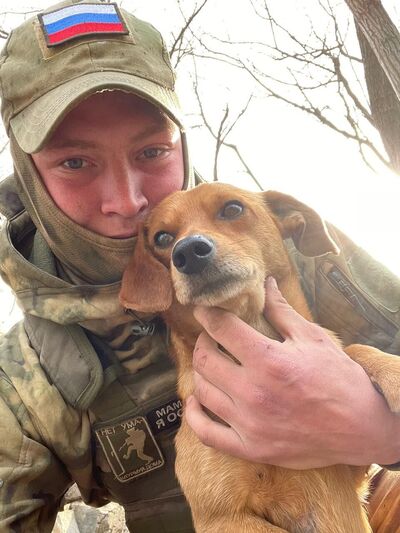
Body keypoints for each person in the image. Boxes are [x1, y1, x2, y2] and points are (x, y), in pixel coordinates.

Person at [0, 1, 399, 531]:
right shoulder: (23, 380)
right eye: (75, 162)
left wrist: (378, 431)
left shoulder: (287, 246)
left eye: (151, 152)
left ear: (181, 144)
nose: (127, 201)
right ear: (29, 176)